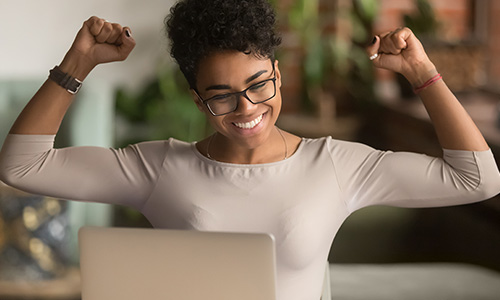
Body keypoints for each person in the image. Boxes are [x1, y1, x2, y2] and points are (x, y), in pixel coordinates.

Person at [0, 0, 499, 299]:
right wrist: (77, 63)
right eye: (221, 95)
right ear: (197, 100)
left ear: (278, 75)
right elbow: (22, 166)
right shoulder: (158, 167)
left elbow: (478, 180)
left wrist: (422, 74)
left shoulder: (338, 165)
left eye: (259, 84)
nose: (246, 108)